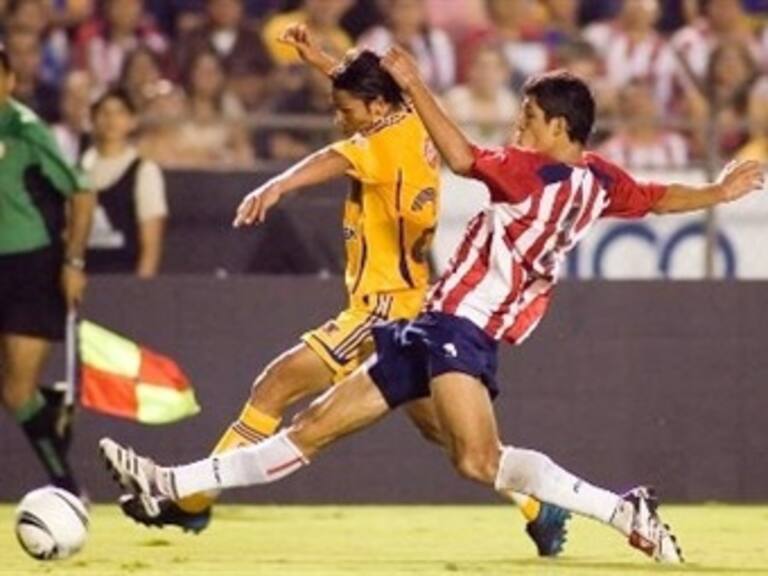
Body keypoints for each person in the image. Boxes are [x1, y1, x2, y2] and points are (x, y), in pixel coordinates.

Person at [102, 46, 765, 563]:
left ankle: (622, 511)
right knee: (310, 429)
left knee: (477, 459)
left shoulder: (526, 170)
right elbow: (655, 197)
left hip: (461, 329)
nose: (518, 125)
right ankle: (170, 481)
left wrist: (416, 85)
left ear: (558, 127)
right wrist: (718, 190)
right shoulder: (599, 181)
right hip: (429, 326)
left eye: (529, 118)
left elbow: (459, 155)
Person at [112, 26, 571, 558]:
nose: (338, 117)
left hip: (381, 309)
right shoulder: (411, 118)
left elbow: (335, 156)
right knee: (445, 434)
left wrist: (276, 184)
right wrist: (325, 61)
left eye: (345, 109)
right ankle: (539, 506)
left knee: (275, 385)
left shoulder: (379, 143)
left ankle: (189, 499)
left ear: (376, 108)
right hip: (412, 302)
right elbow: (367, 102)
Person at [0, 47, 94, 497]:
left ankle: (67, 489)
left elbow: (81, 193)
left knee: (16, 392)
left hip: (29, 268)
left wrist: (73, 261)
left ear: (9, 81)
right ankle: (50, 404)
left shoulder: (26, 130)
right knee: (17, 392)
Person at [81, 89, 167, 277]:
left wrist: (138, 293)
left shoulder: (144, 172)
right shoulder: (78, 171)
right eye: (105, 113)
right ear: (93, 119)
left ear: (132, 121)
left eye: (120, 113)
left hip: (123, 280)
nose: (111, 121)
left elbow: (151, 247)